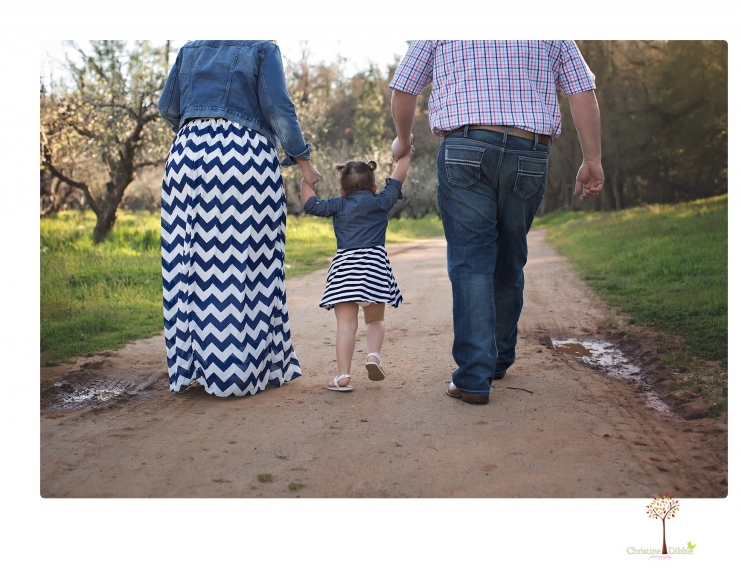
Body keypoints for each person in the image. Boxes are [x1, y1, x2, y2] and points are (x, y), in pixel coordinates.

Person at [389, 40, 604, 405]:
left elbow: (405, 87)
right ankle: (499, 358)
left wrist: (403, 138)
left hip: (465, 147)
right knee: (509, 256)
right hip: (529, 150)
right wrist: (593, 159)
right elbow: (582, 91)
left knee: (471, 261)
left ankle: (474, 376)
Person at [158, 40, 321, 397]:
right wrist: (303, 162)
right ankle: (237, 370)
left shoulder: (190, 49)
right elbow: (278, 107)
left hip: (187, 153)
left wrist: (196, 130)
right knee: (247, 262)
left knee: (190, 263)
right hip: (243, 156)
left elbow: (167, 107)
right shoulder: (262, 48)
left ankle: (194, 366)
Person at [301, 149, 414, 391]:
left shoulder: (338, 204)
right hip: (374, 269)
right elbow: (397, 180)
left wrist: (305, 180)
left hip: (345, 271)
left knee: (346, 326)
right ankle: (373, 356)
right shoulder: (381, 200)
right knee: (375, 320)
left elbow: (310, 205)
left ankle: (343, 376)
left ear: (342, 190)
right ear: (374, 187)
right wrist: (405, 154)